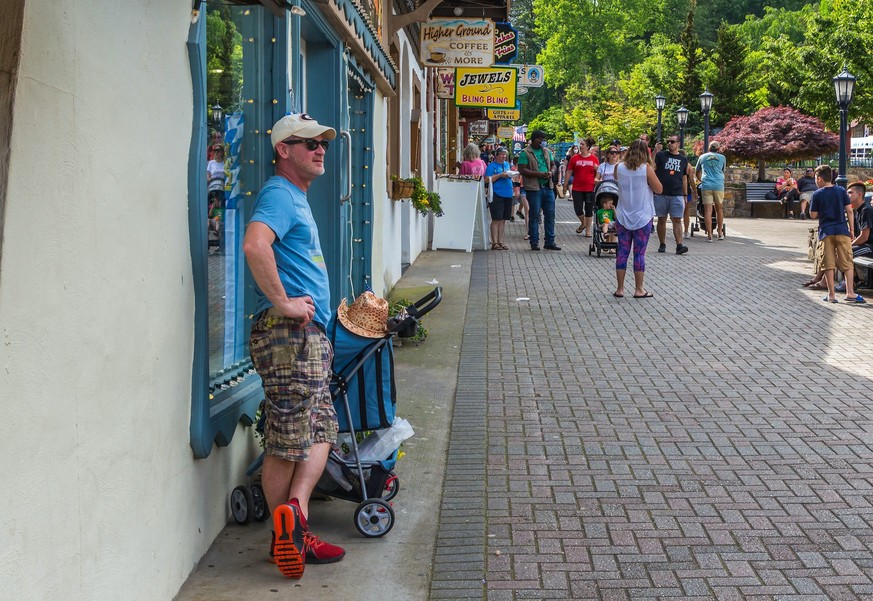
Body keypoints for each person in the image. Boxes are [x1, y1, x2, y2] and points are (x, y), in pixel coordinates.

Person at [243, 113, 347, 579]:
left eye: (322, 142)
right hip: (291, 338)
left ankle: (295, 518)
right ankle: (281, 535)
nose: (319, 149)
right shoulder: (279, 194)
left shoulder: (296, 198)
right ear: (284, 151)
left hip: (311, 338)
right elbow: (253, 246)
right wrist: (284, 303)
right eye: (307, 143)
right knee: (287, 442)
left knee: (321, 430)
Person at [613, 139, 663, 298]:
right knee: (639, 253)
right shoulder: (646, 168)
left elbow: (617, 180)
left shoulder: (618, 167)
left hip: (622, 215)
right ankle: (639, 289)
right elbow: (659, 189)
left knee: (622, 252)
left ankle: (620, 289)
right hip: (642, 216)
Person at [808, 164, 865, 303]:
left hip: (826, 232)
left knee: (828, 263)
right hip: (842, 230)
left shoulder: (817, 194)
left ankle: (831, 295)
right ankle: (850, 293)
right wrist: (851, 230)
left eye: (816, 178)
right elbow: (849, 210)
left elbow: (813, 214)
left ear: (820, 179)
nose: (815, 180)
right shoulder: (840, 191)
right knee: (847, 262)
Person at [517, 130, 560, 251]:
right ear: (535, 139)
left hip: (548, 186)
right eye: (540, 139)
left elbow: (553, 164)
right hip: (534, 188)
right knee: (534, 215)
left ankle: (550, 241)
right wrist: (538, 174)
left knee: (550, 215)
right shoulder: (525, 153)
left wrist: (551, 172)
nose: (542, 142)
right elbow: (522, 169)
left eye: (543, 140)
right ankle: (534, 242)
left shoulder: (546, 151)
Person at [653, 135, 692, 253]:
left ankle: (679, 245)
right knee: (661, 219)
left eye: (672, 141)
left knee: (677, 219)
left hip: (677, 193)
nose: (670, 143)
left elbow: (684, 178)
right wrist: (655, 151)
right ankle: (662, 243)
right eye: (668, 141)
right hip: (661, 193)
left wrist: (685, 195)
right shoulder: (661, 155)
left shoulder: (683, 159)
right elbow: (651, 166)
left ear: (678, 143)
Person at [566, 137, 599, 236]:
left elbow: (599, 173)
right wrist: (565, 184)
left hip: (590, 188)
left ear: (588, 147)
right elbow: (569, 171)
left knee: (589, 210)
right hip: (577, 188)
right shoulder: (574, 158)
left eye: (582, 144)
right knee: (578, 208)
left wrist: (597, 169)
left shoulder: (594, 158)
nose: (580, 146)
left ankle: (588, 231)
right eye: (580, 144)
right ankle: (583, 223)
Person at [695, 141, 726, 242]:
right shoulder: (722, 158)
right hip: (718, 185)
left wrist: (701, 180)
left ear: (709, 148)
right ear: (718, 149)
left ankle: (709, 235)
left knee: (708, 211)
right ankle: (720, 232)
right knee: (719, 209)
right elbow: (722, 170)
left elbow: (697, 171)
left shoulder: (702, 157)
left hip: (706, 185)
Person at [485, 147, 514, 250]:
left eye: (505, 154)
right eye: (501, 154)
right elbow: (487, 180)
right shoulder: (491, 166)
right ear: (496, 155)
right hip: (497, 194)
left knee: (503, 219)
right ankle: (494, 242)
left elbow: (509, 174)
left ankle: (500, 241)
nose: (503, 156)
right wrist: (500, 175)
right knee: (496, 219)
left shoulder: (506, 165)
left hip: (508, 193)